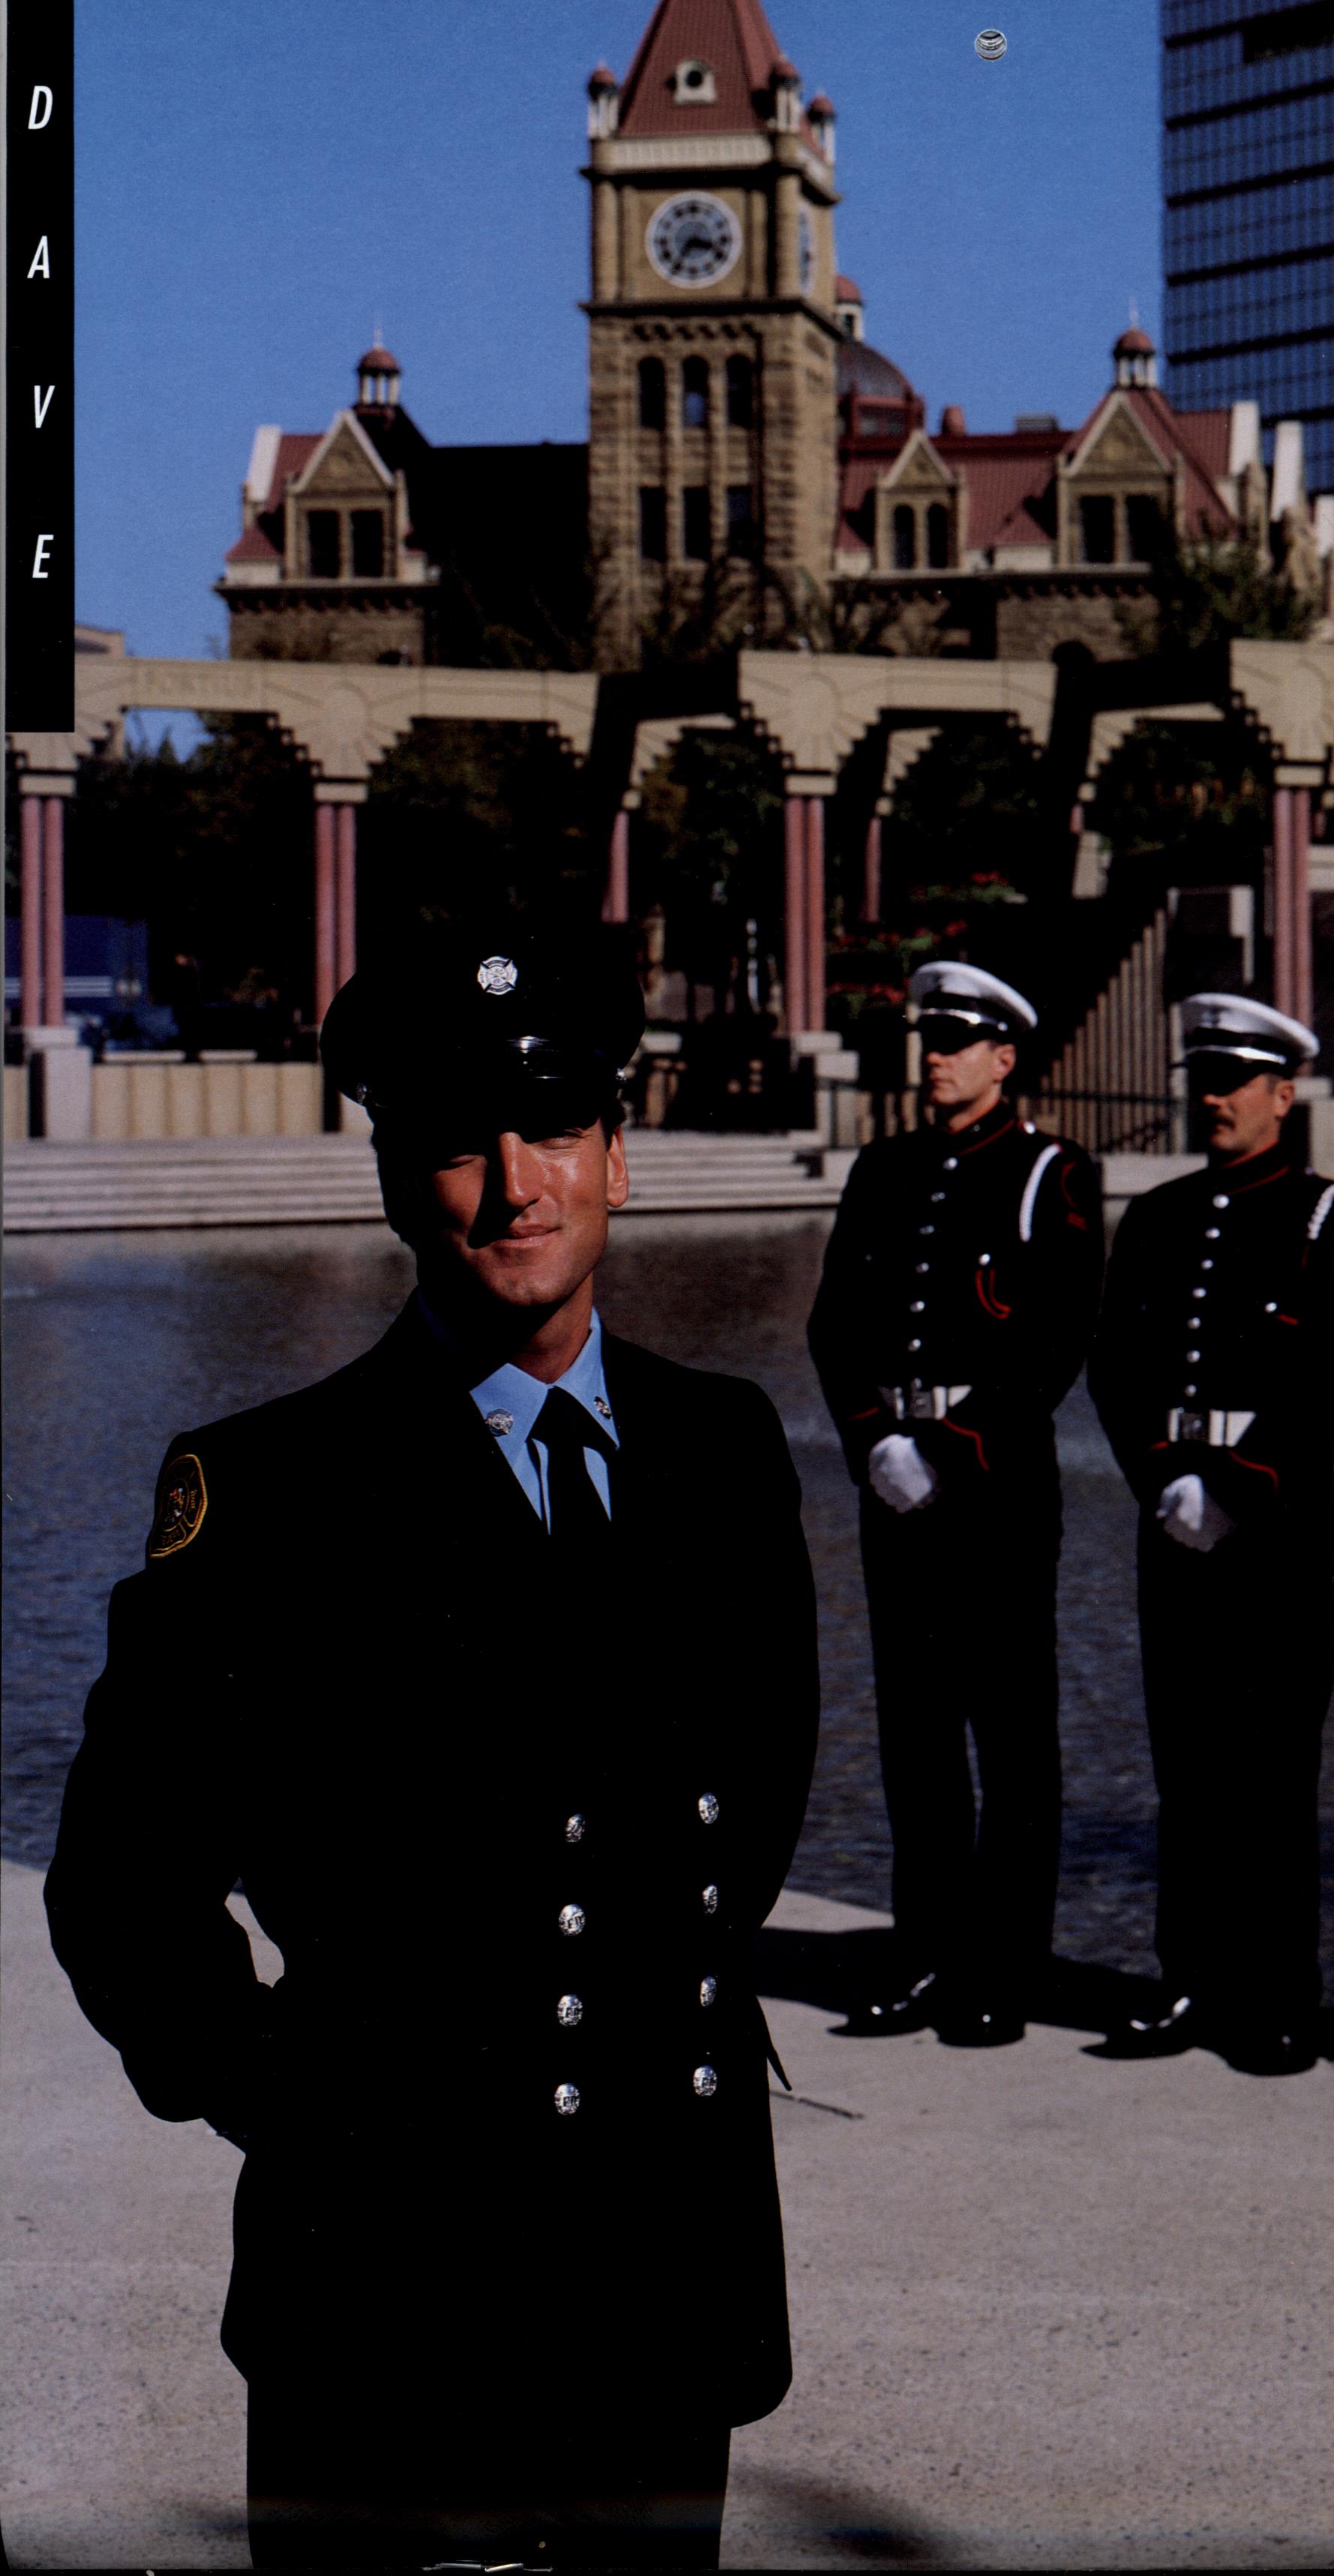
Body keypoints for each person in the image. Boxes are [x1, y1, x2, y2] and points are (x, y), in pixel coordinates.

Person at [44, 924, 819, 2571]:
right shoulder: (270, 1492)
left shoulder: (724, 1449)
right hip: (386, 2294)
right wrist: (308, 2108)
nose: (516, 1185)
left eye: (554, 1129)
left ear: (622, 1151)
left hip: (665, 2279)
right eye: (463, 1142)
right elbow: (124, 1885)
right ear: (400, 1177)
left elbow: (745, 1815)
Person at [808, 960, 1101, 2046]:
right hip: (893, 1482)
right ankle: (924, 1952)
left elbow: (1054, 1340)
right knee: (915, 1732)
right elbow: (834, 1323)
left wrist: (952, 1445)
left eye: (959, 1040)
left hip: (995, 1492)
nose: (936, 1056)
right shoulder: (883, 1170)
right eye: (928, 1038)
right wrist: (870, 1440)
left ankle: (1004, 1967)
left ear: (1005, 1057)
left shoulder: (1048, 1174)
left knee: (1011, 1734)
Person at [1088, 996, 1334, 2073]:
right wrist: (1162, 1479)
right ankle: (1187, 1981)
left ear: (1281, 1095)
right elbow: (1114, 1367)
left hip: (1276, 1534)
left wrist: (1242, 1483)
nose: (1212, 1096)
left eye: (1235, 1079)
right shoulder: (1158, 1216)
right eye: (1201, 1077)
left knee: (1270, 1769)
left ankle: (1277, 1995)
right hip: (1173, 1523)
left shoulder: (1322, 1215)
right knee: (1187, 1764)